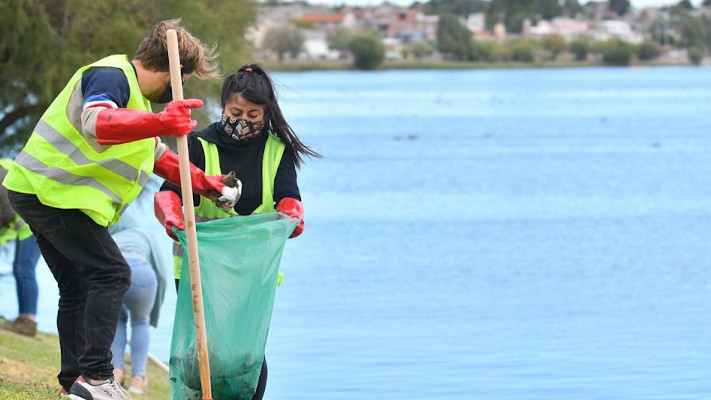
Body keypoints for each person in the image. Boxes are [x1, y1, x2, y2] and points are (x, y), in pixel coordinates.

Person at [2, 19, 239, 400]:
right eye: (186, 78)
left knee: (78, 286)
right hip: (49, 193)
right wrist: (162, 121)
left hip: (41, 193)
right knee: (111, 273)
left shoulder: (137, 103)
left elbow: (157, 155)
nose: (185, 87)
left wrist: (203, 183)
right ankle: (96, 378)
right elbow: (97, 122)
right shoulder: (112, 77)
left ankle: (74, 385)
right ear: (171, 72)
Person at [154, 63, 319, 400]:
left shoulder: (277, 151)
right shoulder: (197, 145)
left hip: (251, 272)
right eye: (235, 111)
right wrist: (173, 219)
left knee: (245, 351)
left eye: (253, 114)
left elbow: (290, 198)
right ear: (224, 107)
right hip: (197, 265)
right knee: (202, 348)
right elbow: (167, 192)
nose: (243, 120)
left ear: (266, 113)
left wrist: (292, 217)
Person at [108, 179, 167, 395]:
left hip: (116, 275)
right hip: (143, 275)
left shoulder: (109, 236)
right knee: (140, 322)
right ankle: (139, 379)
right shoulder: (145, 234)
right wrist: (155, 311)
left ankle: (116, 372)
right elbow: (161, 272)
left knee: (118, 320)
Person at [0, 159, 42, 337]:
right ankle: (25, 319)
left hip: (31, 225)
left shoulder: (1, 172)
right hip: (28, 225)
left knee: (24, 270)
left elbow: (9, 211)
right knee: (21, 269)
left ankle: (28, 321)